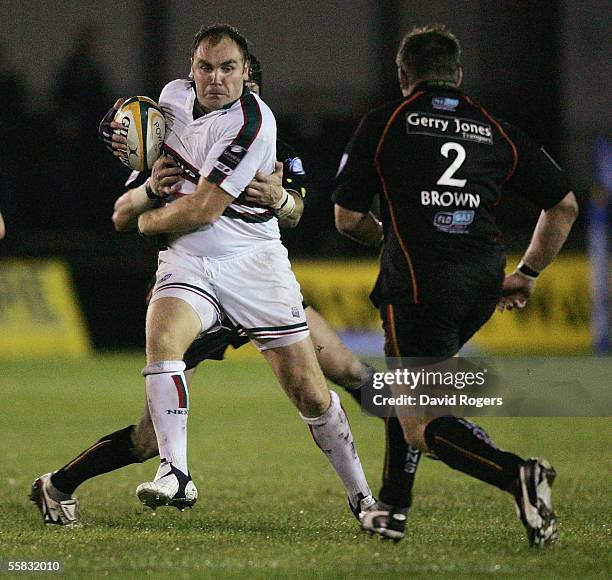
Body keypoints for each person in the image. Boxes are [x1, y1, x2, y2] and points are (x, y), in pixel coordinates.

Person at [31, 24, 375, 525]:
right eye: (206, 67)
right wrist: (148, 188)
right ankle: (123, 479)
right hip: (191, 264)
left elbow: (256, 209)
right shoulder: (169, 103)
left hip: (254, 269)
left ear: (248, 74)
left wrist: (278, 198)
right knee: (156, 373)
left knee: (323, 381)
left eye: (228, 69)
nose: (216, 78)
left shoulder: (256, 124)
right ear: (190, 71)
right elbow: (133, 202)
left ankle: (371, 491)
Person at [333, 24, 578, 546]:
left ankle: (519, 475)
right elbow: (564, 204)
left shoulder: (385, 122)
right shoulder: (492, 127)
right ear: (459, 76)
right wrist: (529, 273)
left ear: (403, 76)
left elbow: (347, 217)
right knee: (410, 391)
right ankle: (393, 509)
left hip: (420, 284)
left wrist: (386, 238)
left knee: (420, 418)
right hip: (482, 284)